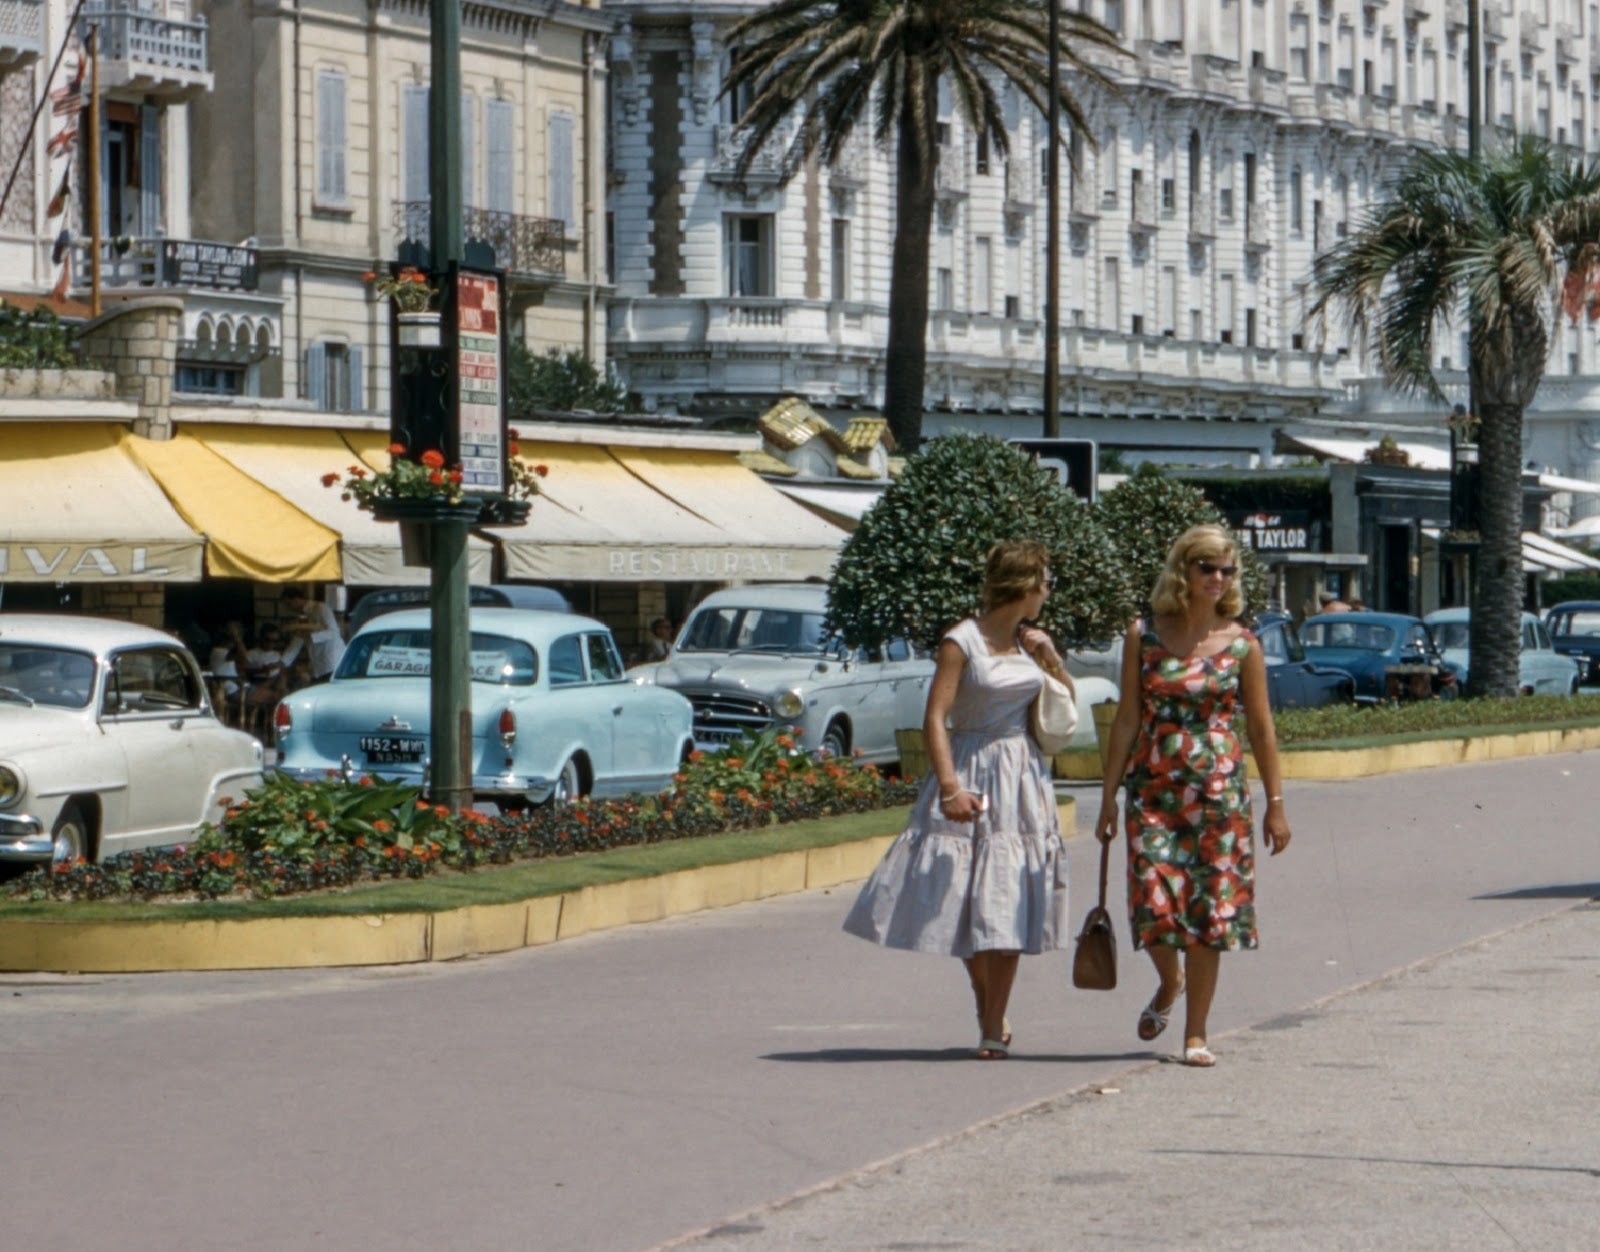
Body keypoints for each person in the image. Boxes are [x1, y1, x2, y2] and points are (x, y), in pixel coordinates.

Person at [843, 540, 1073, 1060]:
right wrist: (949, 786)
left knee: (1009, 897)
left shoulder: (1027, 643)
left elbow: (1064, 709)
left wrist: (1051, 659)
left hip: (1023, 777)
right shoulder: (961, 641)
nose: (1047, 592)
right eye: (1044, 582)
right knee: (963, 899)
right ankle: (984, 997)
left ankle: (993, 1025)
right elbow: (935, 718)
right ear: (1025, 586)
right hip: (971, 766)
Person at [1095, 524, 1292, 1068]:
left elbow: (1261, 727)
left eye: (1227, 569)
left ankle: (1196, 1033)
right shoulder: (1145, 634)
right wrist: (1108, 796)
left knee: (1211, 910)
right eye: (1208, 567)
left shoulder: (1243, 644)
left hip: (1220, 795)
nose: (1219, 578)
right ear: (1183, 571)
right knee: (1153, 901)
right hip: (1154, 787)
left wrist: (1276, 804)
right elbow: (1128, 717)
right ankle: (1169, 981)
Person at [281, 585, 345, 682]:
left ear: (296, 600)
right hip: (317, 666)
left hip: (332, 662)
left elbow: (334, 632)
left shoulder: (321, 608)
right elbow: (298, 641)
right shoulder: (302, 616)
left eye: (289, 604)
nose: (289, 608)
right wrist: (283, 662)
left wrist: (311, 636)